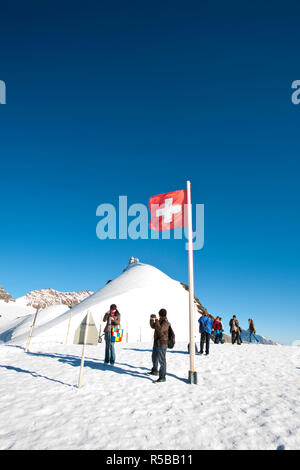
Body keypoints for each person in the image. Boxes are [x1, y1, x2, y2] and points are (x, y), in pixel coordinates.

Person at [149, 308, 170, 383]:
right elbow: (153, 326)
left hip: (163, 343)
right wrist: (152, 320)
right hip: (156, 342)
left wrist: (157, 321)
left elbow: (160, 330)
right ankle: (154, 371)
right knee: (154, 357)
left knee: (162, 360)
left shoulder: (166, 322)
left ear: (161, 315)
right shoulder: (160, 321)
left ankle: (162, 377)